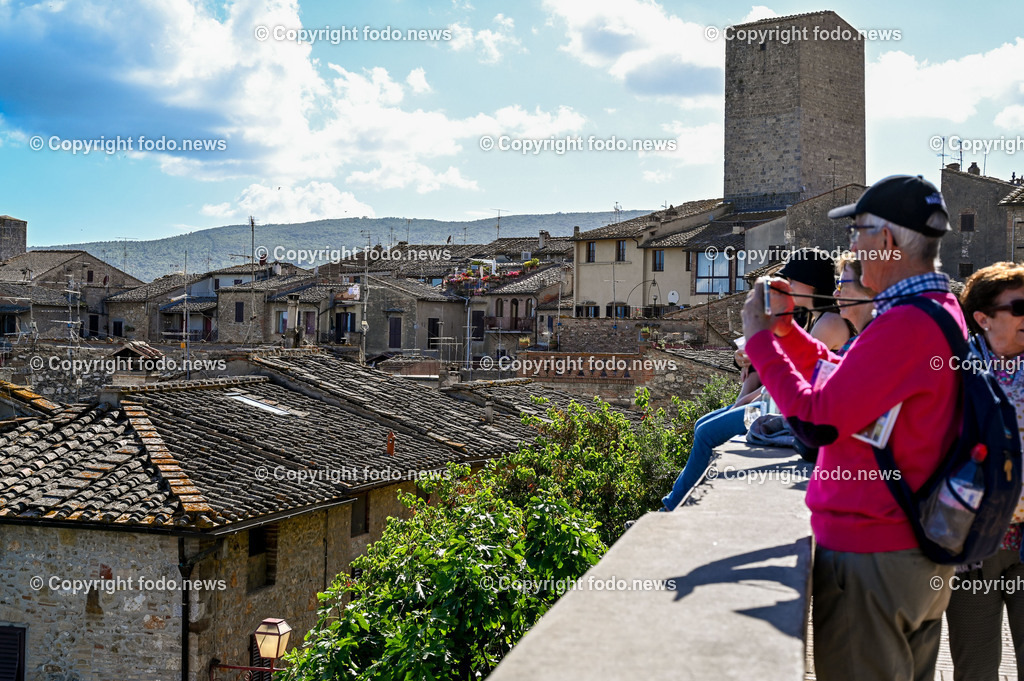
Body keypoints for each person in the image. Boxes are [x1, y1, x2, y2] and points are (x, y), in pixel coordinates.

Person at [741, 175, 961, 681]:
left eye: (857, 231)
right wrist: (787, 333)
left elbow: (817, 420)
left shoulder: (905, 325)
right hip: (910, 554)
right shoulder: (932, 310)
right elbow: (846, 383)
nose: (851, 245)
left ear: (885, 242)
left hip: (874, 556)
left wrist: (761, 344)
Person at [946, 262, 1024, 681]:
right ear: (983, 317)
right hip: (973, 549)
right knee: (975, 670)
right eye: (1019, 306)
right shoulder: (952, 372)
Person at [777, 247, 851, 351]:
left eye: (792, 281)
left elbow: (801, 364)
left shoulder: (829, 323)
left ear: (810, 282)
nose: (788, 286)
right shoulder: (817, 318)